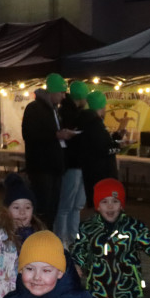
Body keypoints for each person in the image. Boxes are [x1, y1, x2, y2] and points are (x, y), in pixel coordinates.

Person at [23, 73, 77, 228]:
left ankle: (47, 239)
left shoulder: (54, 110)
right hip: (42, 167)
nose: (63, 97)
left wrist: (61, 133)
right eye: (61, 92)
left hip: (53, 167)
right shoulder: (34, 108)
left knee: (52, 208)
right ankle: (40, 240)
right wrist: (56, 135)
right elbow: (29, 134)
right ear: (52, 92)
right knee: (43, 208)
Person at [55, 80, 89, 248]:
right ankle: (62, 241)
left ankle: (71, 238)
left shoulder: (70, 112)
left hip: (77, 164)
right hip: (72, 164)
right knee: (68, 206)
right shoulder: (69, 113)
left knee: (74, 206)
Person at [78, 91, 122, 218]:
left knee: (100, 207)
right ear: (102, 107)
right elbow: (104, 149)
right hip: (102, 173)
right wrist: (118, 146)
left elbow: (100, 144)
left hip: (93, 172)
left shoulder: (87, 122)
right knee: (106, 208)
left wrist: (116, 137)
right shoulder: (95, 124)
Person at [3, 172, 45, 251]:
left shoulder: (40, 234)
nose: (22, 212)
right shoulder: (2, 236)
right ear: (6, 210)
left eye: (27, 207)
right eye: (16, 207)